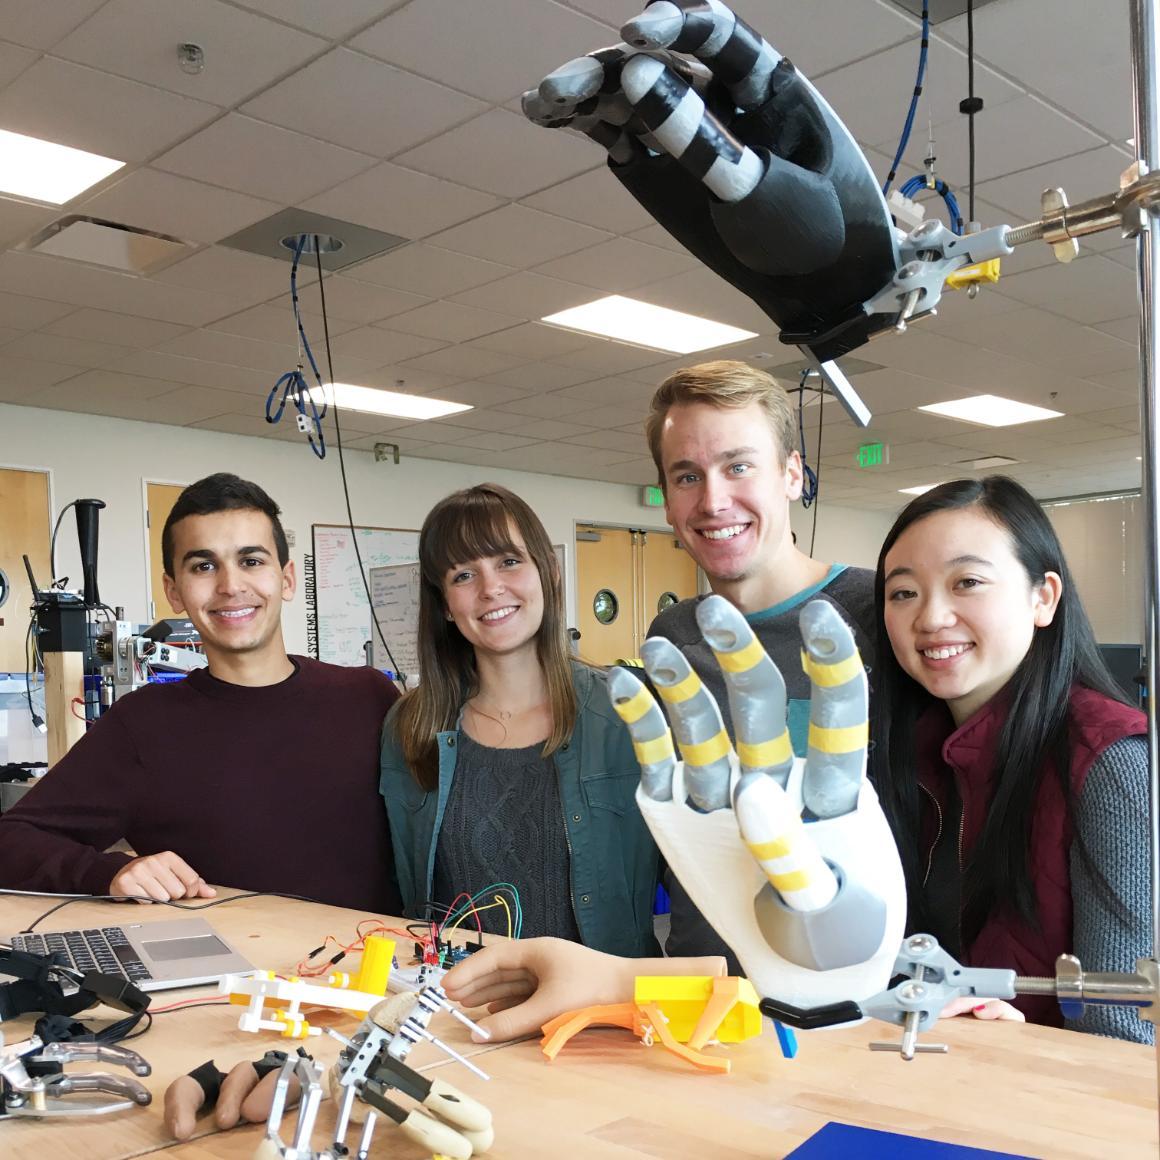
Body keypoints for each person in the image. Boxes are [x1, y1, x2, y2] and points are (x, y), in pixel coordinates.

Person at [0, 473, 400, 913]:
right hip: (230, 975)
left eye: (251, 560)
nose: (230, 585)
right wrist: (108, 871)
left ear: (286, 579)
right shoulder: (144, 725)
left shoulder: (369, 698)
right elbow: (12, 840)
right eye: (203, 566)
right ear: (174, 590)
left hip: (382, 970)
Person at [870, 475, 1150, 1043]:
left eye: (967, 582)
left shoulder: (1110, 761)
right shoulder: (907, 752)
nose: (930, 617)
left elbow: (1125, 1030)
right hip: (932, 1089)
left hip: (1051, 1111)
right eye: (903, 592)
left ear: (1043, 597)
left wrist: (1025, 1043)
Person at [643, 359, 875, 961]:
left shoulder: (879, 615)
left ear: (793, 474)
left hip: (851, 983)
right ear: (666, 501)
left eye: (738, 466)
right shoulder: (673, 635)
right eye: (687, 476)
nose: (714, 500)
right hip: (704, 982)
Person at [379, 483, 660, 957]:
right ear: (445, 603)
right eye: (464, 575)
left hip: (603, 1013)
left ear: (549, 571)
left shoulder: (627, 713)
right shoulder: (411, 726)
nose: (491, 589)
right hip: (459, 1011)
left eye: (509, 562)